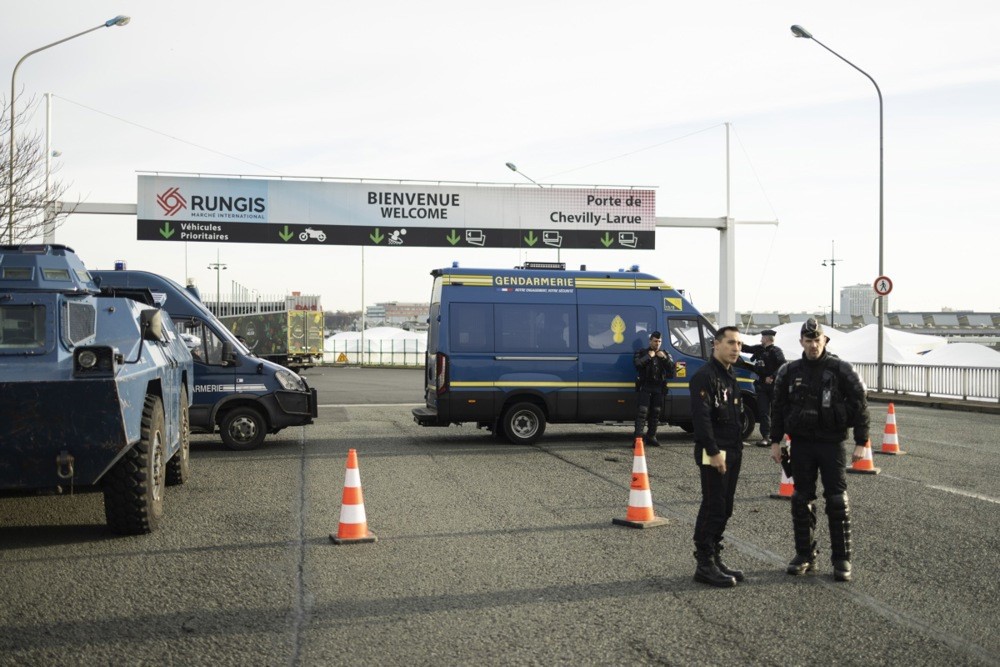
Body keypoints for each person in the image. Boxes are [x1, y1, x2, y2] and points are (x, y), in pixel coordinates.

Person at [769, 318, 870, 582]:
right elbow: (777, 406)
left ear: (825, 340)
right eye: (808, 340)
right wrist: (775, 440)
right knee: (801, 499)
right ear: (801, 342)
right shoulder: (788, 371)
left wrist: (862, 441)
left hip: (831, 444)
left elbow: (860, 401)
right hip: (801, 444)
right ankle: (805, 555)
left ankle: (842, 559)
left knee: (836, 500)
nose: (813, 345)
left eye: (817, 340)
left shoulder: (840, 369)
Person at [689, 326, 745, 588]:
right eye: (731, 343)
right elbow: (701, 420)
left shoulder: (730, 376)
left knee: (726, 506)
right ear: (716, 344)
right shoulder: (704, 376)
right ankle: (704, 563)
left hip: (732, 450)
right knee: (713, 505)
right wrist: (713, 451)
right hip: (714, 451)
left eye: (739, 344)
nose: (736, 349)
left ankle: (715, 555)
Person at [741, 329, 786, 447]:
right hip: (761, 386)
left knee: (776, 412)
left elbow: (783, 364)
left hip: (773, 386)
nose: (761, 339)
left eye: (762, 337)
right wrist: (735, 342)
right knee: (763, 411)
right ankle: (766, 437)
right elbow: (746, 348)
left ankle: (775, 437)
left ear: (767, 338)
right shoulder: (759, 349)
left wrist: (772, 376)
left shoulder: (776, 351)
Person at [633, 331, 674, 446]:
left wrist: (664, 358)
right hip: (645, 386)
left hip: (658, 387)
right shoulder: (641, 352)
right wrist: (648, 357)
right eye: (655, 341)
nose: (657, 343)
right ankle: (638, 439)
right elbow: (637, 364)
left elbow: (672, 371)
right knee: (642, 413)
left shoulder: (665, 353)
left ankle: (651, 436)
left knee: (656, 413)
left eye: (659, 341)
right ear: (650, 341)